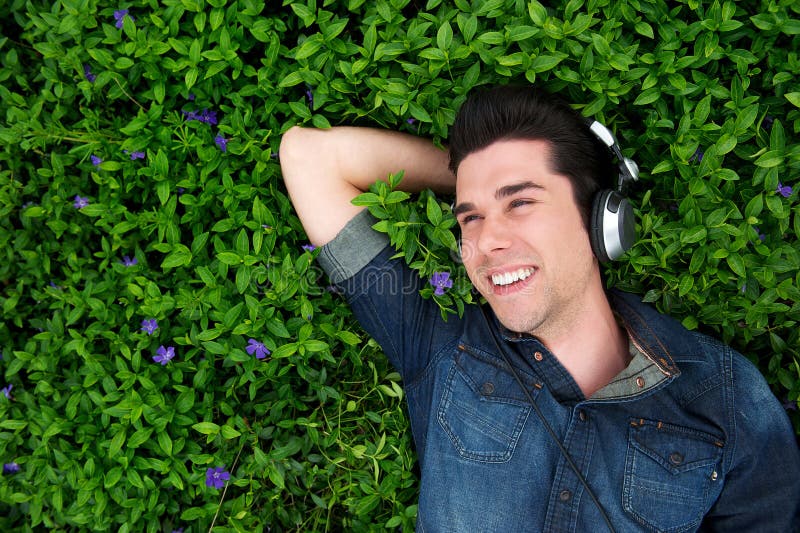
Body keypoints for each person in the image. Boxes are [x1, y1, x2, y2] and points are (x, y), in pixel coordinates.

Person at [279, 85, 800, 532]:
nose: (487, 242)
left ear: (602, 220)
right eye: (470, 218)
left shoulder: (727, 403)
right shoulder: (438, 345)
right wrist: (466, 175)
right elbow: (310, 158)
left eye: (520, 203)